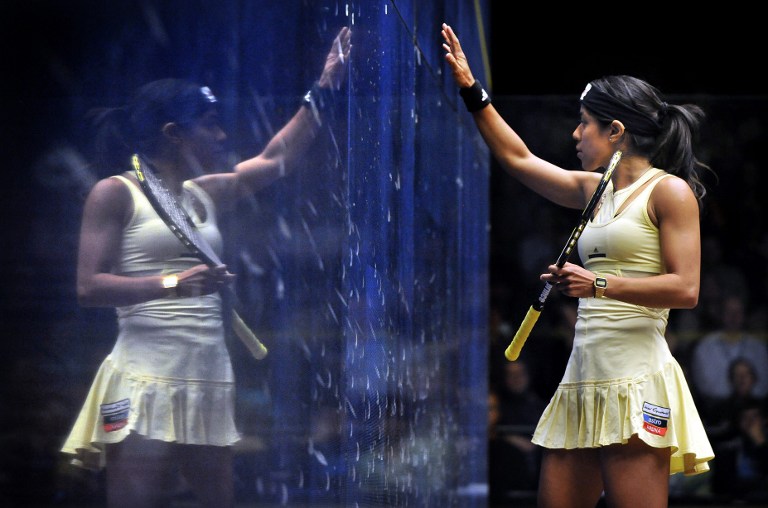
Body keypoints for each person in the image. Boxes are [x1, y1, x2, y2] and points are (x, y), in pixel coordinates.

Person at [60, 27, 351, 508]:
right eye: (209, 124)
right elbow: (88, 288)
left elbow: (276, 159)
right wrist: (173, 281)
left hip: (208, 374)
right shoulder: (115, 192)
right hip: (143, 376)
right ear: (173, 134)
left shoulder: (202, 193)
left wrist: (323, 85)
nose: (220, 135)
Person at [441, 22, 714, 508]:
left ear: (616, 131)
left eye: (584, 122)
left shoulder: (668, 191)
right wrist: (472, 90)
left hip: (636, 379)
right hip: (582, 377)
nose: (575, 133)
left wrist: (597, 283)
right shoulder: (595, 190)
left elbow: (686, 288)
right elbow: (518, 158)